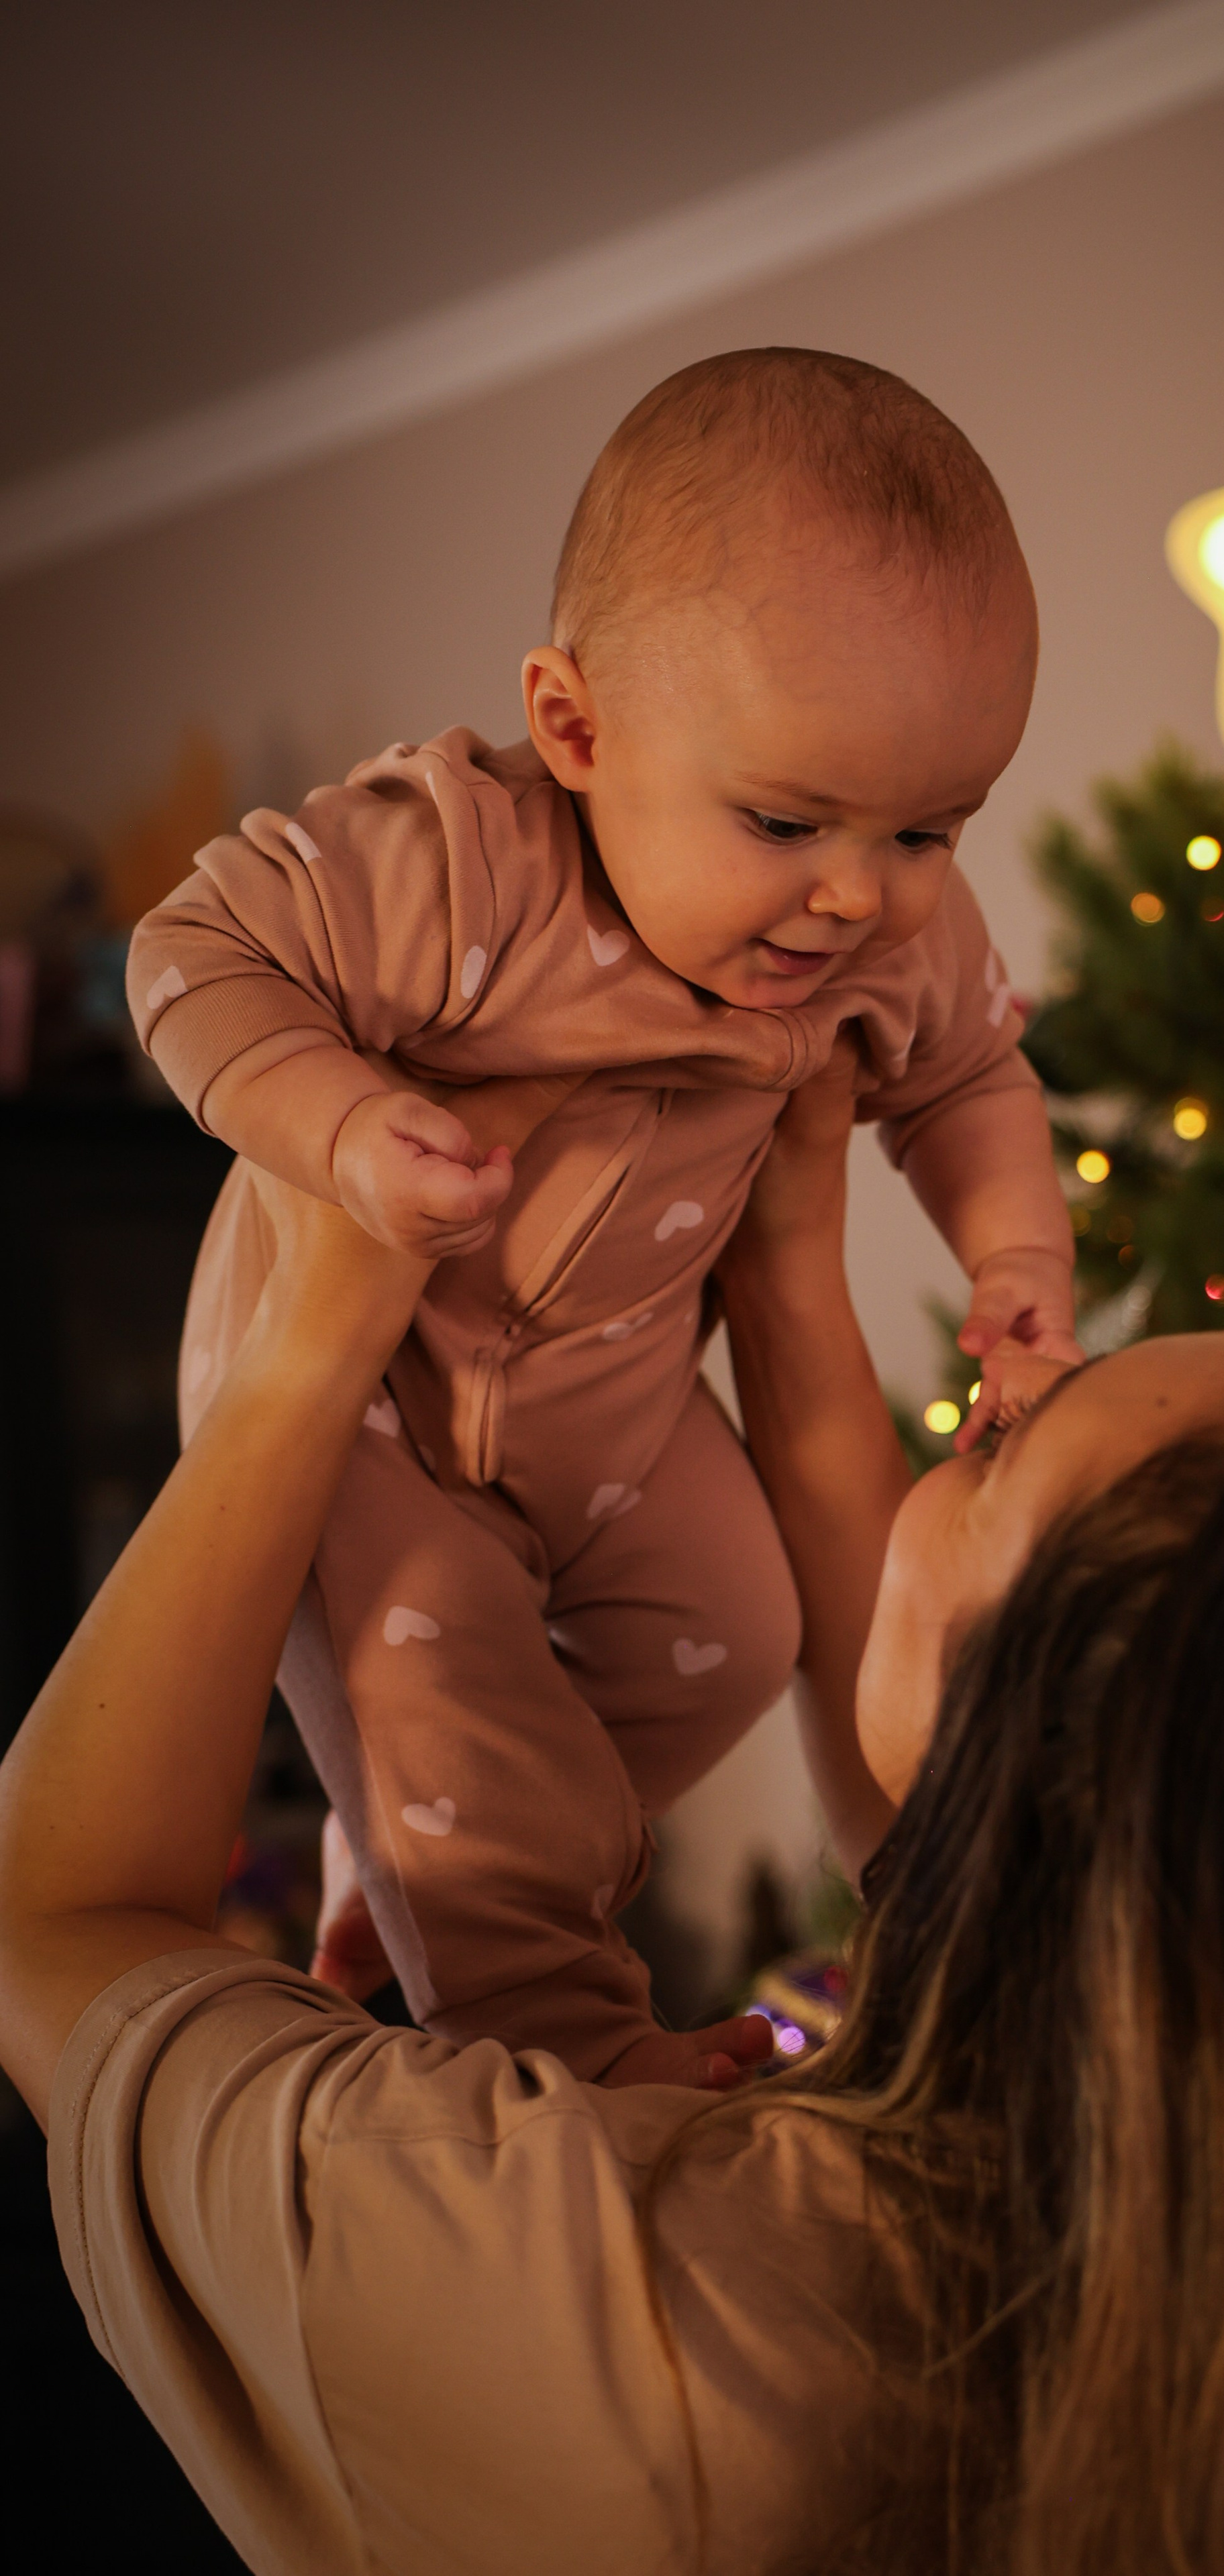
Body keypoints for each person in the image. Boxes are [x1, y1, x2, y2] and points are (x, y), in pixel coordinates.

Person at [3, 1065, 1224, 2576]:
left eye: (990, 1453)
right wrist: (786, 1261)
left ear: (1040, 1808)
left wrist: (303, 1356)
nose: (984, 1394)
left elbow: (54, 1925)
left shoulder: (642, 2326)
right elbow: (916, 1768)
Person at [121, 347, 1077, 2088]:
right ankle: (567, 2041)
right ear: (575, 729)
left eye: (933, 830)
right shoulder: (456, 869)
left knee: (748, 1630)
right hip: (370, 1403)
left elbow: (972, 1090)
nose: (861, 894)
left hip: (619, 1402)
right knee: (448, 1705)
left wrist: (1013, 1263)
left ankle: (409, 1856)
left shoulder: (885, 939)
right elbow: (191, 958)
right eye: (785, 819)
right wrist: (340, 1131)